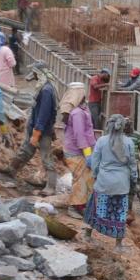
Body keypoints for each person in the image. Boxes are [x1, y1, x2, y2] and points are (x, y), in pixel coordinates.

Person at [0, 71, 58, 195]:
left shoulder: (46, 90)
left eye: (36, 74)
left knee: (46, 157)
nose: (34, 77)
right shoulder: (44, 87)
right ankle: (10, 172)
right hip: (36, 127)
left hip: (41, 130)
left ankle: (51, 187)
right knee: (25, 151)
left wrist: (36, 133)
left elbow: (43, 114)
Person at [85, 114, 138, 248]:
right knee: (120, 213)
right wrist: (134, 179)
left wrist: (95, 175)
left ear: (108, 125)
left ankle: (87, 235)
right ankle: (118, 244)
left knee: (94, 209)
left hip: (103, 182)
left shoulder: (101, 141)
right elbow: (133, 164)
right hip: (122, 185)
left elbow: (95, 162)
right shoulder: (129, 142)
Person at [60, 83, 95, 216]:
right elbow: (80, 135)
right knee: (79, 179)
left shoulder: (82, 110)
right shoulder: (77, 113)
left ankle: (83, 204)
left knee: (86, 177)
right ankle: (74, 207)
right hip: (76, 151)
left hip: (82, 149)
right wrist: (88, 154)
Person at [124, 117, 140, 218]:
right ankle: (129, 209)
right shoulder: (121, 135)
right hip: (124, 166)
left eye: (128, 127)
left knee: (137, 187)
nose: (126, 129)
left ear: (131, 126)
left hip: (134, 165)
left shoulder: (137, 135)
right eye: (125, 127)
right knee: (127, 188)